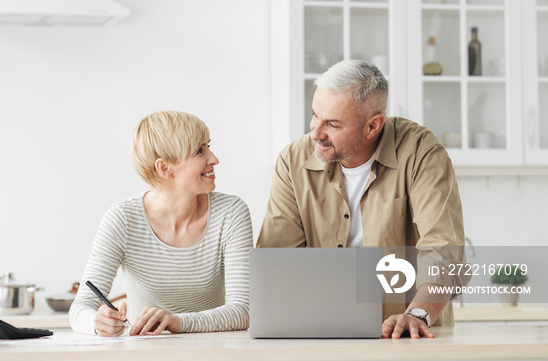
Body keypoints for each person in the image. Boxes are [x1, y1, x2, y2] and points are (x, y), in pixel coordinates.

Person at [256, 59, 466, 339]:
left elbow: (442, 248)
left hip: (406, 335)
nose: (315, 132)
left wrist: (418, 314)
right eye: (314, 115)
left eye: (332, 123)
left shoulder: (420, 152)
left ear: (373, 126)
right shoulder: (293, 161)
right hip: (324, 330)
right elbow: (277, 260)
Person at [69, 110, 252, 337]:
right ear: (165, 168)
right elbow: (80, 308)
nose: (213, 158)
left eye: (208, 146)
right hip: (144, 353)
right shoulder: (123, 219)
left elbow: (242, 310)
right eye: (199, 151)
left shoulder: (231, 213)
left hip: (213, 353)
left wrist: (177, 322)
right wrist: (96, 322)